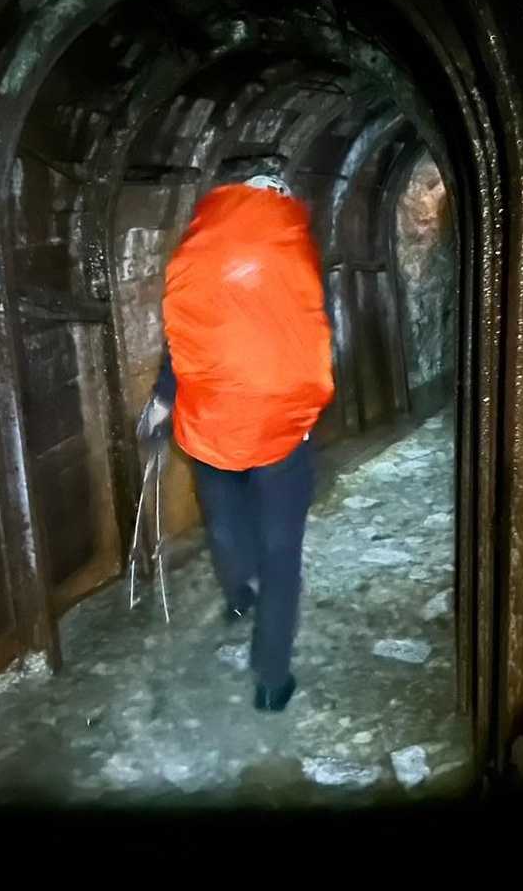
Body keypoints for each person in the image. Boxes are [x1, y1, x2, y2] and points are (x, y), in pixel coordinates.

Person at [137, 172, 334, 711]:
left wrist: (161, 405)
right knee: (281, 550)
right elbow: (316, 337)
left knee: (224, 518)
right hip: (279, 426)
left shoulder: (199, 256)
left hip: (210, 420)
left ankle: (238, 597)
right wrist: (307, 406)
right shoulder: (292, 255)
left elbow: (183, 340)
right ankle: (271, 680)